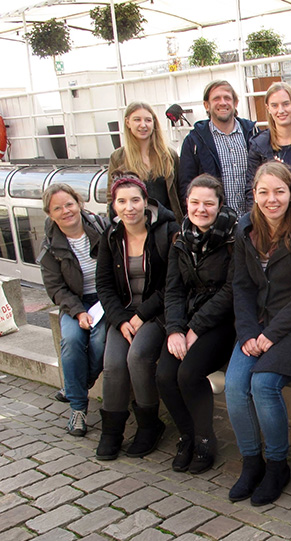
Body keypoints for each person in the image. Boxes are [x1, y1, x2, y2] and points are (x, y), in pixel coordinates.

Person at [226, 161, 291, 506]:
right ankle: (252, 462)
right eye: (264, 192)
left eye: (279, 191)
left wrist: (271, 334)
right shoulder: (245, 229)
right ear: (254, 195)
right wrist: (249, 331)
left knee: (262, 384)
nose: (272, 199)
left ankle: (278, 465)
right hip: (258, 324)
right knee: (235, 386)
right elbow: (241, 286)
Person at [157, 174, 238, 474]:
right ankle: (187, 435)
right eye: (194, 202)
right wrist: (175, 329)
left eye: (208, 203)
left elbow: (231, 290)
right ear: (186, 204)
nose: (201, 209)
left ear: (220, 205)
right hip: (188, 318)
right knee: (165, 375)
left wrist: (196, 328)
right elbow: (174, 289)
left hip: (220, 321)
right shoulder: (181, 239)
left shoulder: (233, 237)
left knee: (189, 374)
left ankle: (205, 438)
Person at [94, 174, 178, 461]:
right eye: (122, 201)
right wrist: (120, 319)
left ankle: (149, 424)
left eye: (135, 200)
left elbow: (171, 284)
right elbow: (103, 285)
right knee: (114, 363)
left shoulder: (167, 231)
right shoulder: (110, 235)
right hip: (123, 314)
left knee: (138, 357)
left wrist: (141, 316)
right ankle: (112, 431)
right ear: (114, 206)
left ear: (146, 202)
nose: (129, 207)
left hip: (156, 313)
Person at [38, 183, 109, 437]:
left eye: (69, 204)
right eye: (57, 208)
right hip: (74, 302)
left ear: (79, 203)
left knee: (100, 340)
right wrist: (79, 312)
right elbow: (56, 289)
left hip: (105, 297)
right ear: (50, 213)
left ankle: (74, 386)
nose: (66, 211)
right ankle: (78, 409)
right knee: (71, 339)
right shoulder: (49, 247)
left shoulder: (101, 227)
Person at [179, 80, 258, 216]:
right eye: (216, 98)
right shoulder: (194, 141)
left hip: (253, 221)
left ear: (235, 103)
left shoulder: (253, 134)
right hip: (216, 223)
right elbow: (187, 187)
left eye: (227, 98)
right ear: (206, 105)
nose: (223, 103)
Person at [109, 102, 182, 220]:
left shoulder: (170, 156)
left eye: (148, 120)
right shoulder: (117, 157)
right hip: (135, 226)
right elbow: (111, 198)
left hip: (167, 225)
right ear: (128, 122)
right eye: (137, 120)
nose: (143, 125)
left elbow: (179, 193)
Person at [245, 82, 291, 191]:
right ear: (268, 108)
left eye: (286, 104)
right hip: (274, 206)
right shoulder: (259, 145)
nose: (281, 110)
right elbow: (252, 189)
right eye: (274, 105)